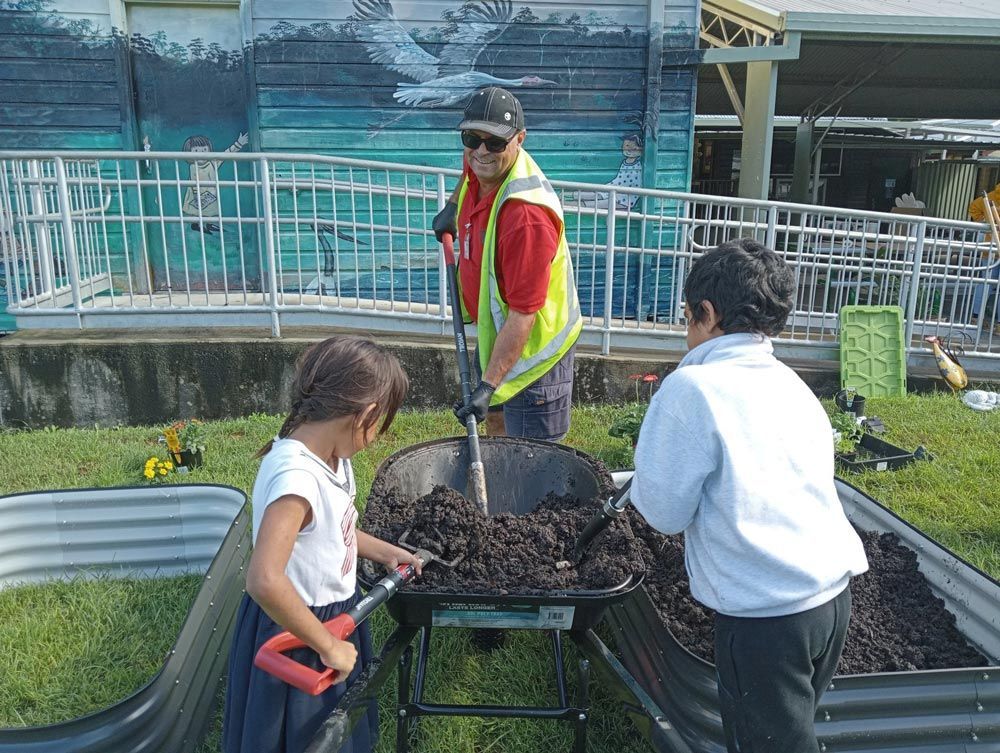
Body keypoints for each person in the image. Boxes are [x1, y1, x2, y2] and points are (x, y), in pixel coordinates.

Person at [629, 238, 869, 753]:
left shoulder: (693, 388)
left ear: (707, 314)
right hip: (831, 599)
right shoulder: (791, 383)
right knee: (789, 732)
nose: (685, 329)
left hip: (766, 618)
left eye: (686, 315)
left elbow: (665, 514)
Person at [222, 335, 421, 753]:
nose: (377, 438)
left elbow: (333, 529)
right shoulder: (296, 480)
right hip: (296, 630)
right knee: (304, 735)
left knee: (340, 728)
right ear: (365, 414)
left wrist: (384, 551)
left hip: (334, 614)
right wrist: (327, 645)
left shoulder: (332, 455)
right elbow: (263, 579)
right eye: (380, 424)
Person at [432, 86, 581, 442]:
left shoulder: (525, 216)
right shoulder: (482, 167)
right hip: (499, 337)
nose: (481, 151)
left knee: (532, 463)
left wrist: (486, 386)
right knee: (498, 439)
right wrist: (453, 206)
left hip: (534, 359)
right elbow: (471, 170)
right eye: (472, 138)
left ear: (520, 139)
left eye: (495, 143)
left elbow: (523, 314)